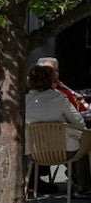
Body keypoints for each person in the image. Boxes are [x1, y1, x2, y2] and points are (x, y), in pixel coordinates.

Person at [24, 63, 90, 195]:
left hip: (34, 151)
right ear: (51, 82)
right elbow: (79, 122)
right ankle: (83, 185)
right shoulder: (59, 99)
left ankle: (75, 177)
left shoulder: (24, 101)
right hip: (64, 150)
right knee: (86, 141)